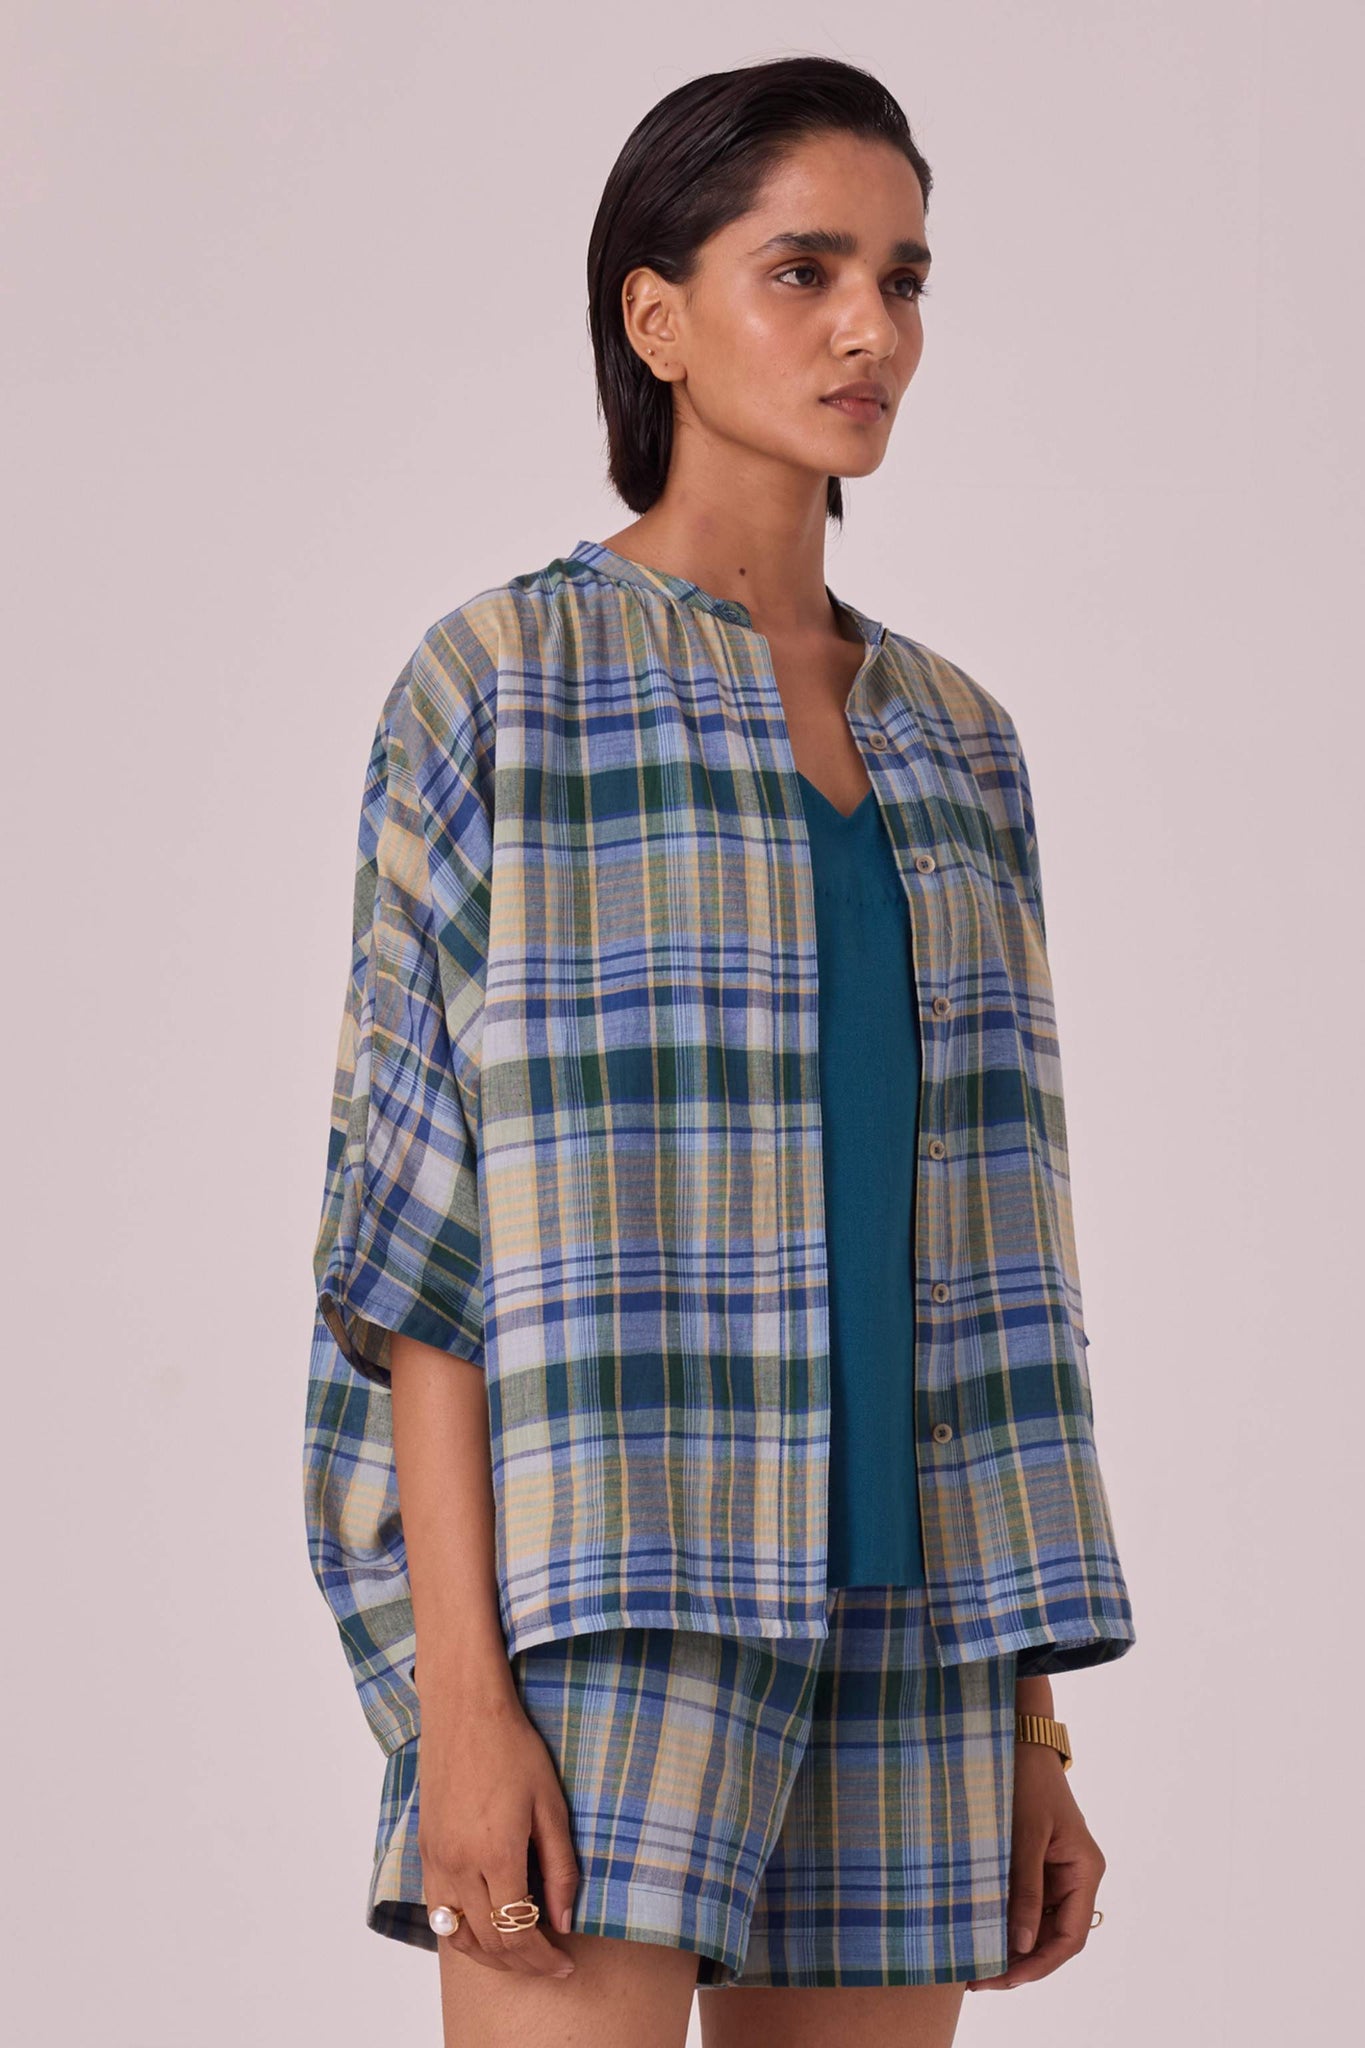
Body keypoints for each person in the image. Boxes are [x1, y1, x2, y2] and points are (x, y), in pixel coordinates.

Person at [303, 52, 1136, 2048]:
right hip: (612, 1592)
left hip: (919, 1624)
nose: (870, 329)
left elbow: (991, 1252)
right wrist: (459, 1706)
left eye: (902, 278)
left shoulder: (958, 740)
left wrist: (1028, 1725)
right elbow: (419, 1240)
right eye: (803, 270)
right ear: (654, 317)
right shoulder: (506, 682)